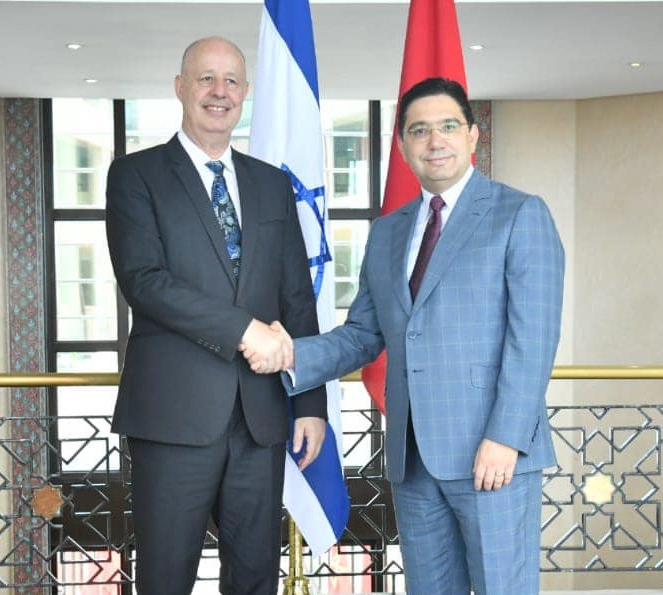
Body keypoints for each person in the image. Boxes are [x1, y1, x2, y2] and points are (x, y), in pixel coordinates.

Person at [247, 77, 564, 594]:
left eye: (447, 127)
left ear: (472, 135)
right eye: (419, 130)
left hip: (492, 455)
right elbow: (362, 335)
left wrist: (506, 437)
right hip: (412, 459)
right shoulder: (389, 231)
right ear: (402, 145)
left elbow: (534, 340)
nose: (434, 141)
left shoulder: (519, 214)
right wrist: (288, 354)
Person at [105, 36, 327, 595]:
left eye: (230, 81)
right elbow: (145, 282)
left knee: (255, 578)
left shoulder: (271, 184)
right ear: (181, 87)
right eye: (206, 78)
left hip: (260, 417)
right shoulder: (135, 176)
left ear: (246, 92)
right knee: (166, 578)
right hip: (172, 418)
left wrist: (310, 403)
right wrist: (243, 330)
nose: (218, 91)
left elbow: (296, 296)